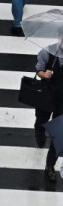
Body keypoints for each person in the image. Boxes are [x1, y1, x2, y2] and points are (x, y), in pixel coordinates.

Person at [32, 42, 63, 182]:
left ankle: (50, 165)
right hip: (46, 95)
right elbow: (38, 70)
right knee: (41, 120)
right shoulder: (47, 52)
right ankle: (39, 129)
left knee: (59, 132)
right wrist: (44, 74)